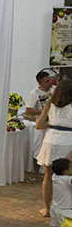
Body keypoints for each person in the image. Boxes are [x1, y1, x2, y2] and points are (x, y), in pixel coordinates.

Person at [37, 77, 72, 218]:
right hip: (68, 141)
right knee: (68, 176)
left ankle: (46, 208)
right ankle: (67, 207)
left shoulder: (50, 104)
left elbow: (39, 125)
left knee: (48, 176)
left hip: (50, 140)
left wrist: (52, 125)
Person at [37, 158, 72, 227]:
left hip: (55, 207)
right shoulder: (67, 179)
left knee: (52, 225)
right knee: (67, 226)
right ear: (65, 171)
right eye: (70, 168)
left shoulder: (55, 177)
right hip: (65, 209)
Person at [26, 70, 55, 176]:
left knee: (52, 148)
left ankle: (51, 173)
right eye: (46, 81)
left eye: (50, 80)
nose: (50, 83)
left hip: (54, 124)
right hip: (41, 124)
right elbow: (29, 110)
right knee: (38, 148)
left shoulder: (55, 90)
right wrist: (44, 112)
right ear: (40, 83)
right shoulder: (34, 93)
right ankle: (36, 173)